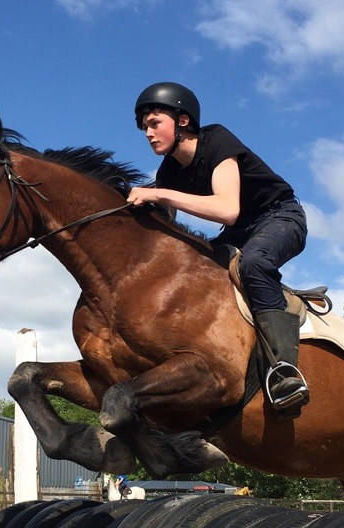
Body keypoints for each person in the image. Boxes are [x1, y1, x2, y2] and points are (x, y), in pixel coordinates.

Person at [128, 82, 309, 410]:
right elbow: (164, 229)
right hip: (239, 231)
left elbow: (228, 209)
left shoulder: (217, 140)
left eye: (154, 123)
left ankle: (285, 370)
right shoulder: (168, 170)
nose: (148, 133)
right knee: (197, 269)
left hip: (281, 216)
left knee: (252, 264)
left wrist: (158, 193)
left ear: (182, 121)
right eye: (144, 127)